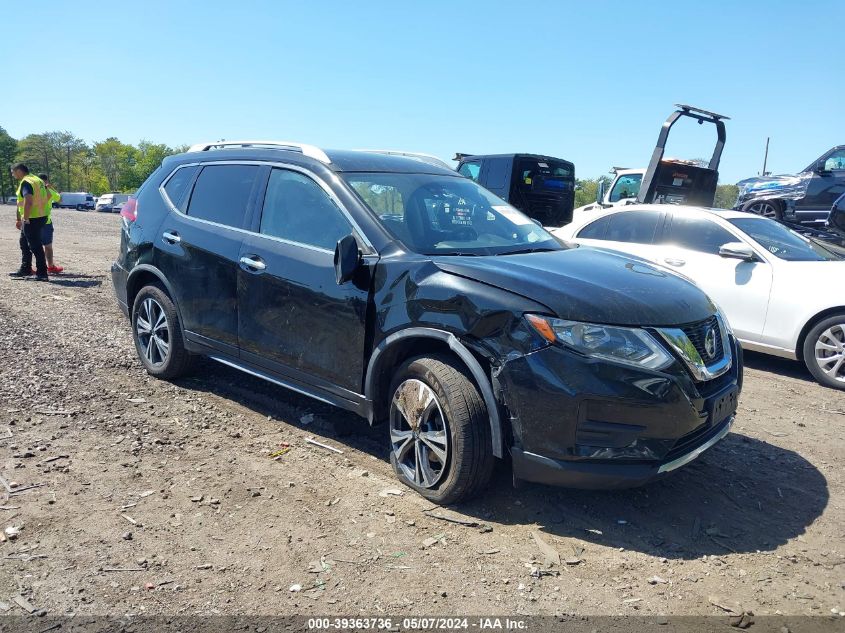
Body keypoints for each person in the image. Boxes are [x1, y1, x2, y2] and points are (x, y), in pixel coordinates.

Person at [9, 164, 49, 281]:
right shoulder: (37, 180)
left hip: (32, 218)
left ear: (19, 171)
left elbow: (29, 201)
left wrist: (25, 218)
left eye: (13, 172)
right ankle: (25, 268)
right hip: (41, 216)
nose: (13, 174)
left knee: (34, 245)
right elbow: (47, 196)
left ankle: (42, 273)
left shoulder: (26, 182)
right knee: (24, 242)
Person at [38, 173, 63, 273]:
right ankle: (50, 266)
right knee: (47, 246)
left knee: (33, 245)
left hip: (32, 221)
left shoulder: (32, 189)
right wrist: (52, 188)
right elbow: (60, 199)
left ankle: (32, 267)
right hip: (46, 222)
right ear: (46, 181)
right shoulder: (49, 190)